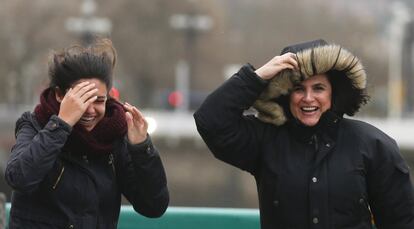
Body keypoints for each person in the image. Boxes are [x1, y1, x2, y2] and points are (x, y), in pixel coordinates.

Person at [194, 39, 414, 229]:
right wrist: (256, 77)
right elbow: (210, 122)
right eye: (299, 88)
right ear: (287, 95)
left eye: (318, 88)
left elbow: (402, 221)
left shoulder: (372, 145)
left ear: (333, 93)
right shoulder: (265, 140)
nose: (308, 98)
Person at [5, 38, 169, 228]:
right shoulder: (35, 125)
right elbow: (19, 177)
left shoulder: (114, 136)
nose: (90, 110)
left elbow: (154, 206)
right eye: (83, 99)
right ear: (59, 94)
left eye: (99, 101)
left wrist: (141, 148)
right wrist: (62, 124)